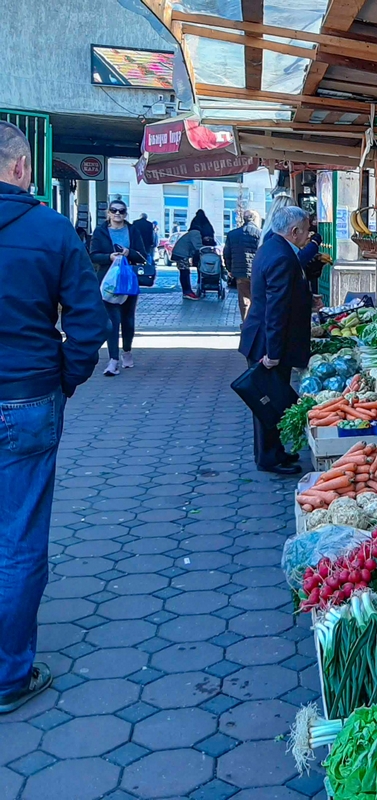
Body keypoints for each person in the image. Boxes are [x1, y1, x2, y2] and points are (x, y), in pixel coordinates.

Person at [0, 122, 108, 714]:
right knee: (17, 536)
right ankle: (9, 674)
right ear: (19, 167)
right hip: (28, 397)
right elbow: (88, 322)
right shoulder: (50, 229)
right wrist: (64, 377)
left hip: (28, 392)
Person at [238, 206, 312, 475]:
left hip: (261, 336)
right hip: (266, 342)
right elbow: (275, 309)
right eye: (305, 230)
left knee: (269, 399)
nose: (308, 236)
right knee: (267, 401)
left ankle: (274, 452)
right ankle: (268, 458)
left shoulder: (270, 246)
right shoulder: (282, 256)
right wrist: (273, 352)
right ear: (294, 231)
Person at [88, 199, 147, 376]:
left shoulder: (132, 230)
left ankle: (127, 351)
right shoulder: (100, 231)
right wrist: (109, 257)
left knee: (127, 319)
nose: (118, 214)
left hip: (128, 280)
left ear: (126, 213)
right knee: (112, 321)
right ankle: (113, 360)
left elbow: (142, 256)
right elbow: (93, 255)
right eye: (114, 210)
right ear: (109, 213)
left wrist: (129, 253)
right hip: (108, 281)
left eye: (121, 211)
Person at [224, 209, 261, 321]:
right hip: (257, 272)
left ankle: (245, 323)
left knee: (244, 299)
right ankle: (256, 323)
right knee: (258, 298)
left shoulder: (232, 234)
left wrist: (230, 269)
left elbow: (227, 254)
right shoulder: (260, 233)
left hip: (240, 272)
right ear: (255, 219)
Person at [171, 225, 204, 300]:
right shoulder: (195, 233)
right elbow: (198, 246)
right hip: (181, 254)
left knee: (184, 272)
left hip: (179, 253)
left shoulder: (191, 233)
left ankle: (186, 291)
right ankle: (187, 292)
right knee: (184, 272)